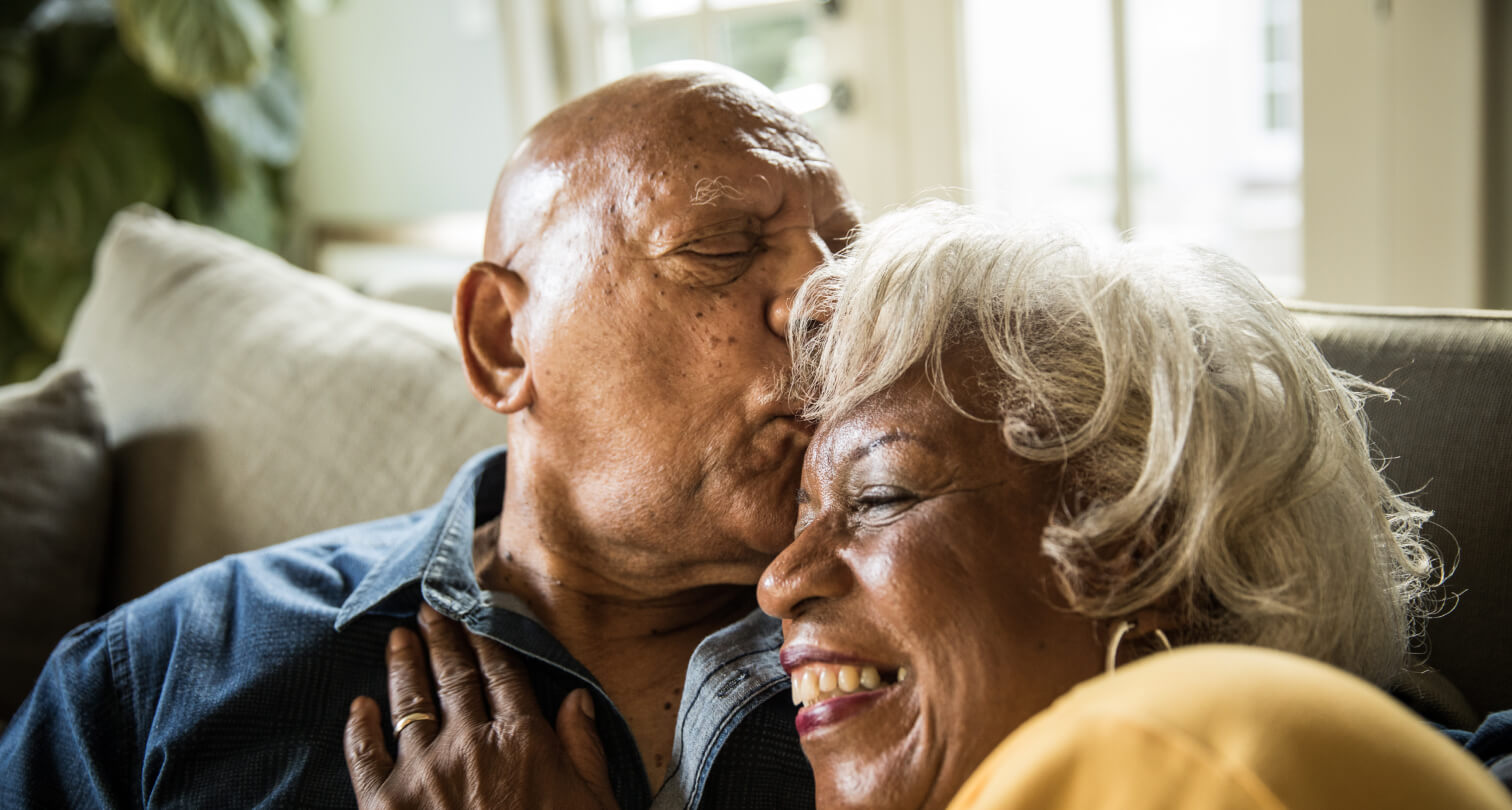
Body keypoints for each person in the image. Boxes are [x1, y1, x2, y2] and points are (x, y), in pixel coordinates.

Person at [345, 201, 1512, 809]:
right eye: (802, 513)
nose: (778, 581)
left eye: (879, 495)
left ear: (1144, 546)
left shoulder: (1260, 759)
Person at [0, 62, 859, 809]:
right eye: (718, 247)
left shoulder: (939, 673)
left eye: (849, 258)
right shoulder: (160, 674)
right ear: (499, 342)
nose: (825, 298)